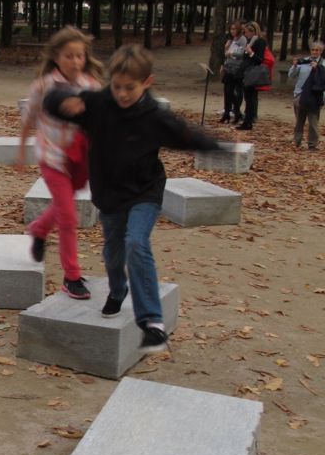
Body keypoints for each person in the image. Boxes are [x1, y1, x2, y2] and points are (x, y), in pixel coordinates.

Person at [44, 44, 223, 353]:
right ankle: (117, 290)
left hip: (145, 192)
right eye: (117, 87)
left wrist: (218, 147)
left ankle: (152, 322)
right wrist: (64, 101)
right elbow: (53, 100)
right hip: (110, 195)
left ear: (147, 83)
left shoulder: (155, 117)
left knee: (137, 243)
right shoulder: (98, 105)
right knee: (113, 255)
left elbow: (186, 135)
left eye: (131, 88)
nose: (123, 94)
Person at [17, 26, 104, 299]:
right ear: (56, 57)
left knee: (64, 204)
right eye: (69, 56)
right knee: (68, 215)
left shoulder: (91, 86)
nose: (75, 61)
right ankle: (71, 276)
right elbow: (29, 118)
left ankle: (39, 229)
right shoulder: (44, 86)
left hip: (79, 158)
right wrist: (21, 149)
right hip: (51, 156)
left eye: (80, 56)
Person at [288, 41, 324, 150]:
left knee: (313, 122)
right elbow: (291, 75)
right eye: (313, 50)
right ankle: (297, 141)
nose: (314, 52)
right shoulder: (304, 62)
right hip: (300, 94)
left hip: (315, 96)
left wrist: (317, 69)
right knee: (299, 120)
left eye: (317, 50)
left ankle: (312, 144)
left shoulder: (323, 63)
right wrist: (294, 65)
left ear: (321, 51)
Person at [238, 20, 269, 130]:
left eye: (246, 32)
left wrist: (251, 52)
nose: (245, 34)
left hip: (252, 72)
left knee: (251, 98)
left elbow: (260, 59)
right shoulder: (249, 41)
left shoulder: (259, 42)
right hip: (245, 71)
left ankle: (249, 121)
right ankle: (247, 120)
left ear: (253, 32)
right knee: (247, 97)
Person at [219, 21, 247, 124]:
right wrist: (226, 49)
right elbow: (226, 54)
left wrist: (231, 52)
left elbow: (241, 53)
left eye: (234, 29)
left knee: (232, 92)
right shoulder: (232, 39)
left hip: (236, 69)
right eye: (231, 29)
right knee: (226, 91)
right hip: (228, 67)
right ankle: (226, 113)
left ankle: (237, 112)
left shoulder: (242, 39)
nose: (232, 31)